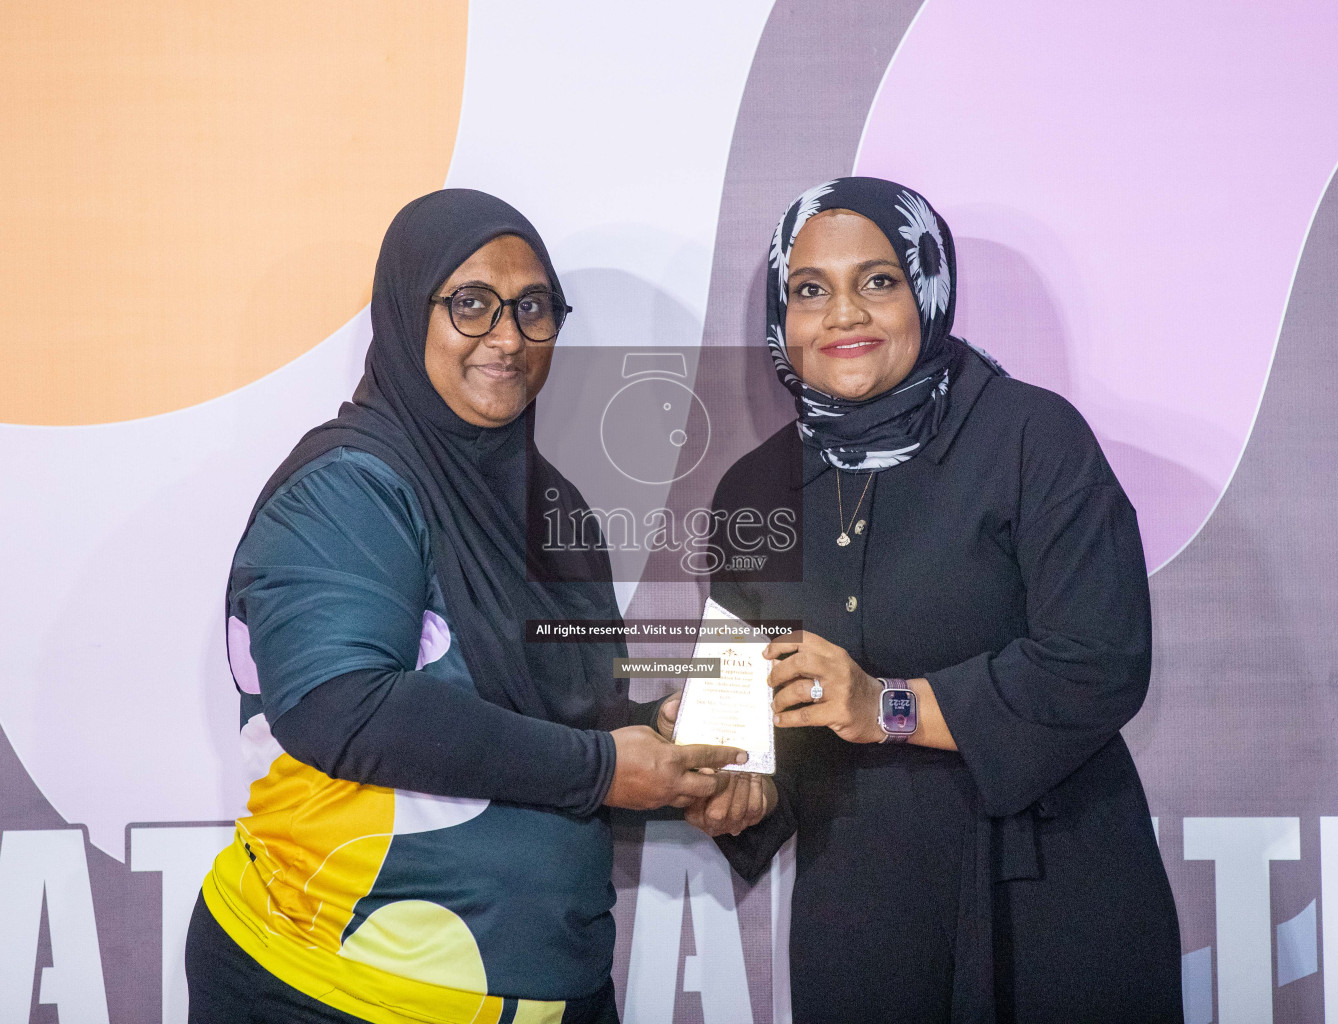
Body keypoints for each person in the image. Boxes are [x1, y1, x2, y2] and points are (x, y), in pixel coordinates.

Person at [185, 189, 745, 1024]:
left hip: (547, 988)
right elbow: (342, 707)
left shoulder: (553, 510)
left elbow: (551, 715)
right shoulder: (349, 485)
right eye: (471, 304)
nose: (508, 338)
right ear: (410, 313)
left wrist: (668, 746)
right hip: (331, 988)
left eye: (532, 308)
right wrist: (602, 769)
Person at [682, 177, 1183, 1023]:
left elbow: (1099, 662)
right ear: (782, 316)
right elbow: (755, 715)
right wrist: (743, 788)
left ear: (928, 289)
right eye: (810, 290)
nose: (843, 314)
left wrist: (889, 706)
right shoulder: (752, 489)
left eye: (877, 280)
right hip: (864, 911)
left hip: (1053, 890)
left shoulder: (1032, 437)